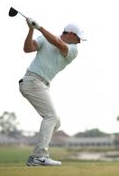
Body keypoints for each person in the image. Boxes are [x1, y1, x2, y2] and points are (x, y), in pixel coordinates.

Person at [19, 18, 86, 166]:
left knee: (56, 122)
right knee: (51, 117)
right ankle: (40, 156)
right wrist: (31, 29)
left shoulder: (73, 50)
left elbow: (58, 43)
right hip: (32, 81)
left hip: (40, 84)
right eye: (78, 38)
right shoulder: (44, 38)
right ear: (70, 34)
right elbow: (27, 48)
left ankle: (37, 156)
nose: (79, 41)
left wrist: (40, 28)